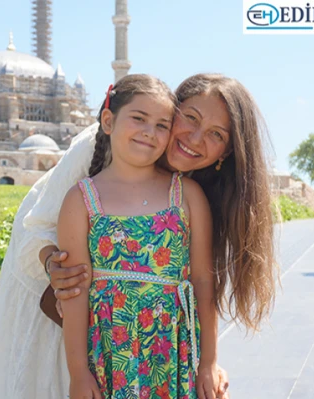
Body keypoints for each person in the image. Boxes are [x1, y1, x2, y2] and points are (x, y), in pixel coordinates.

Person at [0, 74, 277, 399]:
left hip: (159, 346)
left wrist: (206, 362)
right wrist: (55, 265)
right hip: (64, 308)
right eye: (190, 118)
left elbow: (198, 282)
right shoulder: (100, 149)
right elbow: (38, 227)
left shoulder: (193, 191)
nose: (195, 138)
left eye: (215, 134)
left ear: (227, 152)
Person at [57, 75, 218, 398]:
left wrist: (209, 363)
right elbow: (75, 290)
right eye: (139, 118)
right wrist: (78, 371)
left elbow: (202, 280)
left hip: (171, 348)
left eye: (162, 125)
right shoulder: (82, 200)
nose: (149, 131)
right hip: (111, 353)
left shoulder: (186, 194)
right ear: (108, 120)